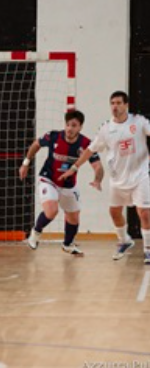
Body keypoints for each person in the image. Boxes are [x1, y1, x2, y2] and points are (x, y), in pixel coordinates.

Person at [61, 91, 150, 263]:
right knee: (114, 212)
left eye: (118, 103)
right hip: (117, 179)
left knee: (144, 213)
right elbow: (90, 150)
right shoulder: (106, 128)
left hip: (140, 176)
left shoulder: (138, 122)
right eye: (112, 103)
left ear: (126, 105)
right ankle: (124, 240)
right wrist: (74, 167)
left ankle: (148, 250)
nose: (115, 106)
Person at [20, 110, 103, 255]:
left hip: (69, 184)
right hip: (48, 179)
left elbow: (98, 166)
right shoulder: (53, 136)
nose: (70, 128)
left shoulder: (86, 144)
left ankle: (68, 245)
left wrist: (97, 179)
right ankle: (35, 233)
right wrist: (26, 163)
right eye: (68, 125)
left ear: (80, 127)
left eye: (74, 125)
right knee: (51, 211)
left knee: (74, 218)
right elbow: (36, 144)